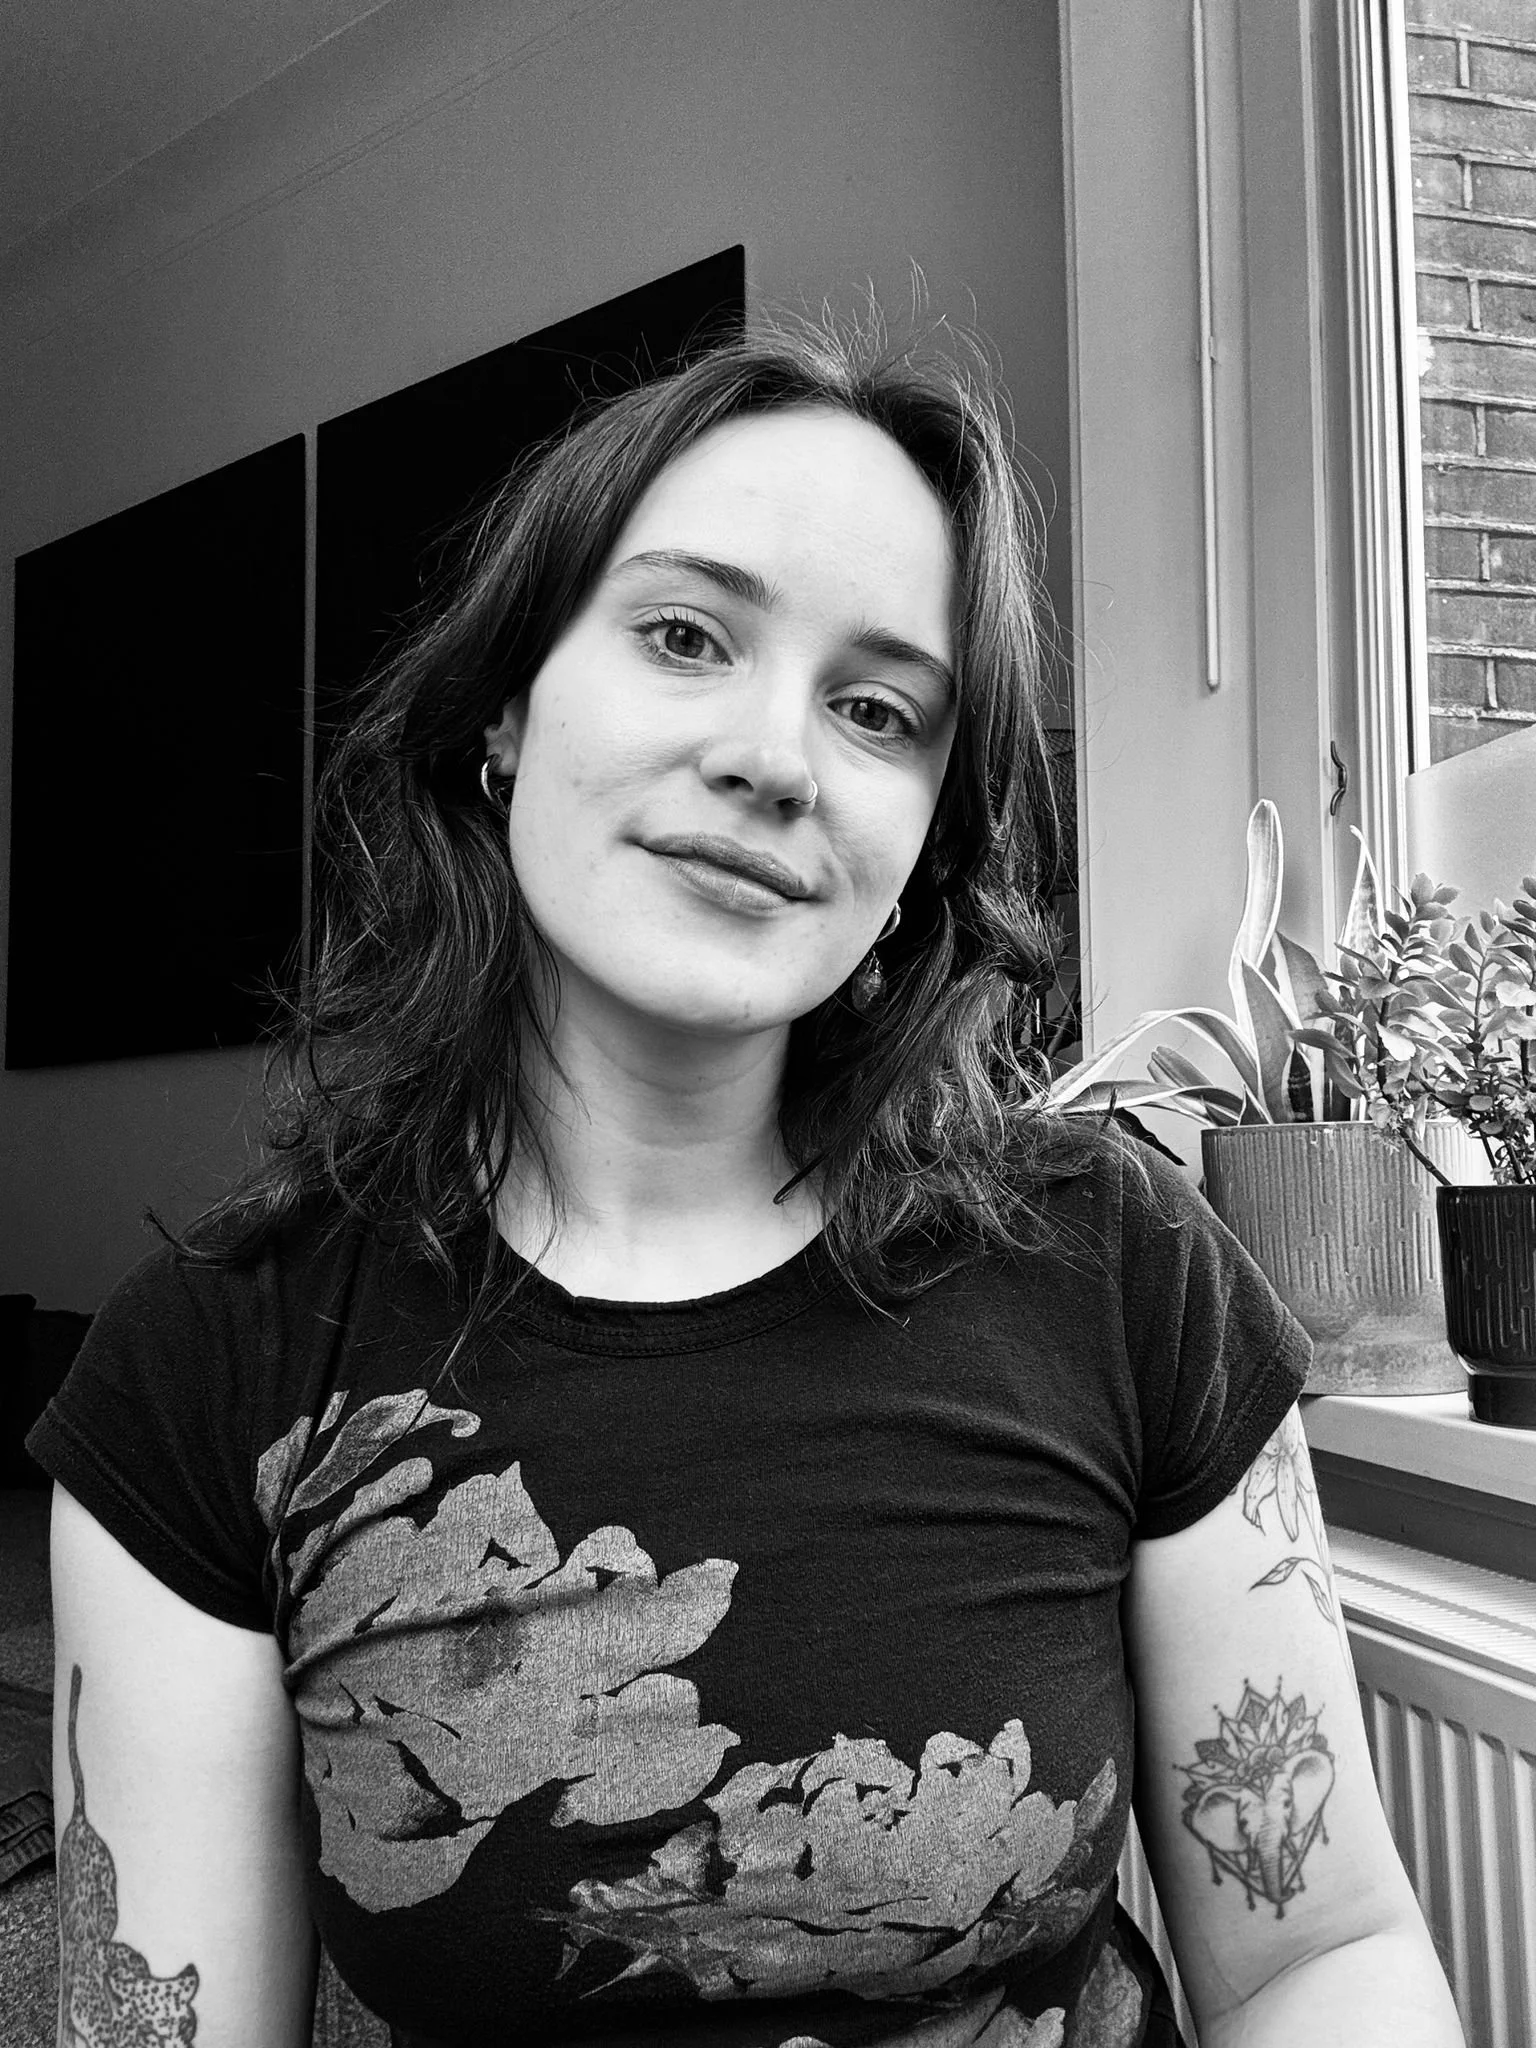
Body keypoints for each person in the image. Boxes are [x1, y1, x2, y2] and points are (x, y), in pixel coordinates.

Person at [27, 295, 1464, 2048]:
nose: (776, 760)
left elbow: (1319, 1954)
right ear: (502, 709)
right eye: (685, 635)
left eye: (877, 709)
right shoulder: (206, 1367)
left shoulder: (1121, 1266)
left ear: (926, 836)